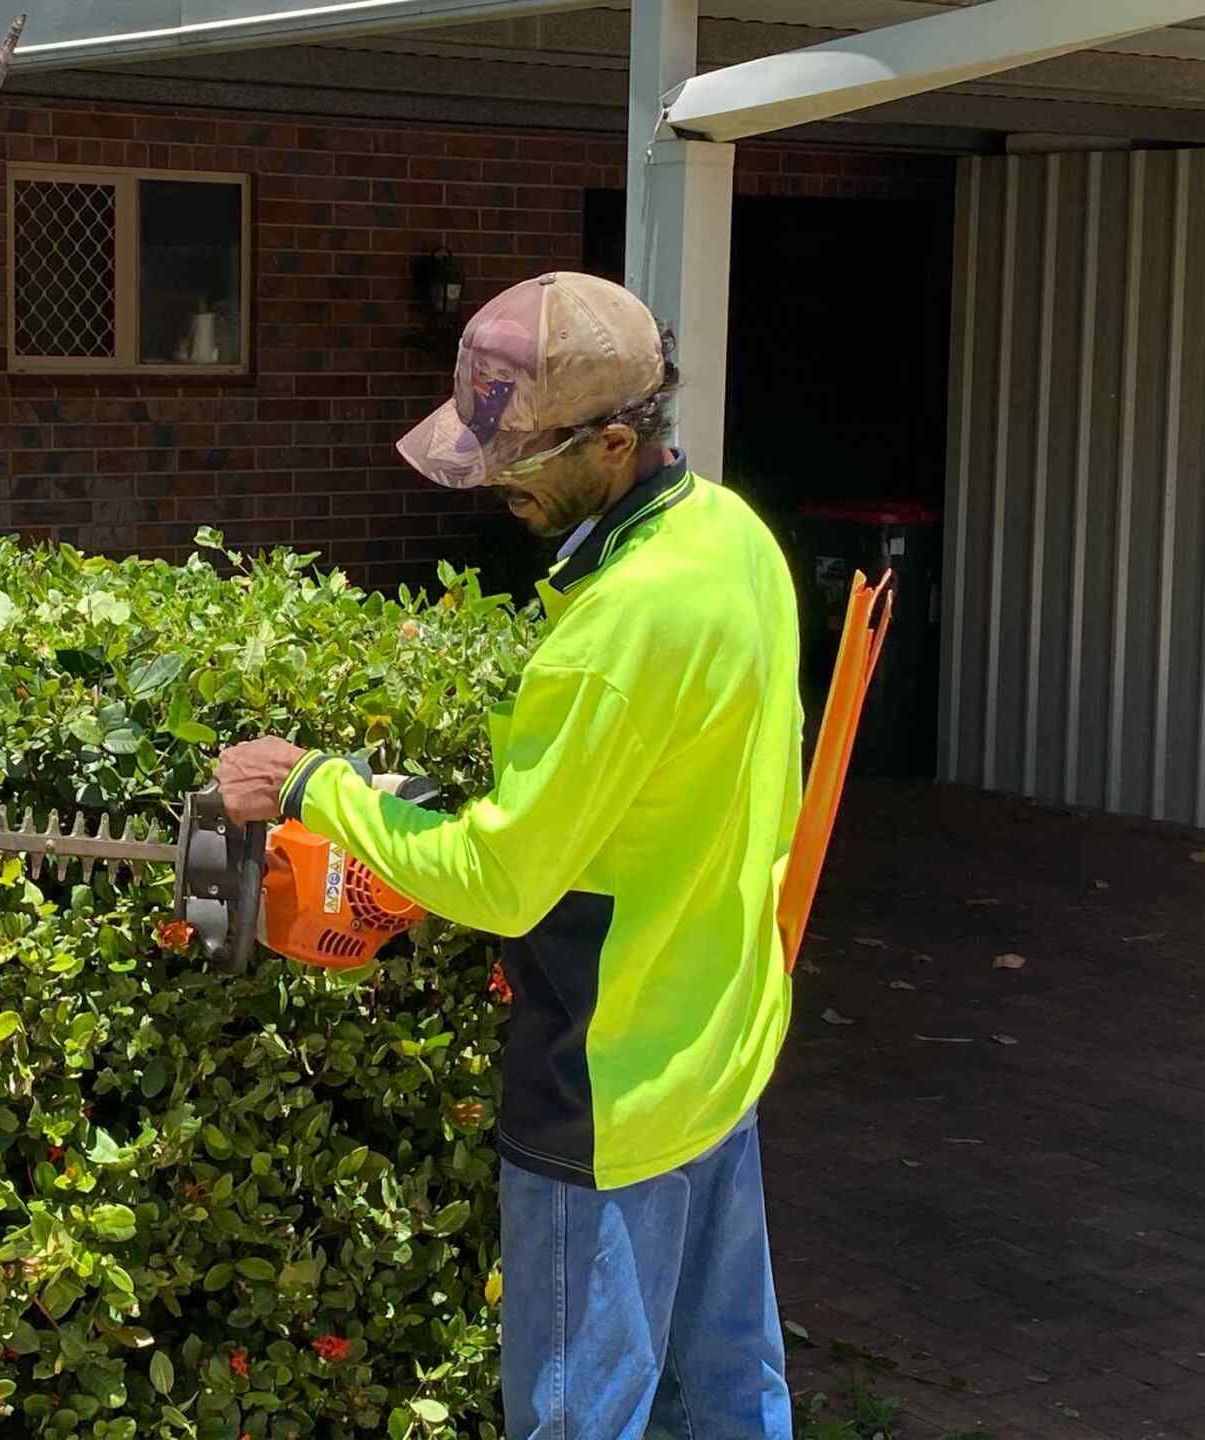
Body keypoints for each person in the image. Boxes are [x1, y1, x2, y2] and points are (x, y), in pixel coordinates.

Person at [216, 271, 802, 1440]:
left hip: (609, 1090)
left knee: (583, 1417)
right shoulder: (730, 535)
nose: (495, 479)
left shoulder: (618, 626)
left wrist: (315, 787)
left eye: (519, 455)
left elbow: (507, 880)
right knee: (732, 1398)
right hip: (721, 1048)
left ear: (617, 440)